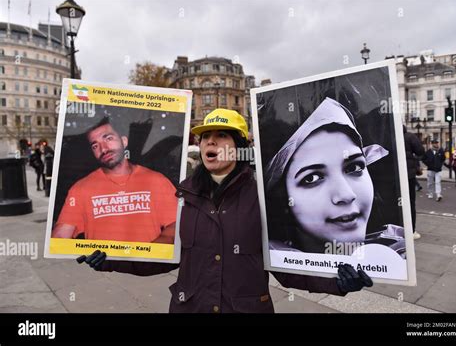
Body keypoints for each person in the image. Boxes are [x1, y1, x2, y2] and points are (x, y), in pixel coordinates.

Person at [78, 108, 373, 313]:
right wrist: (111, 259)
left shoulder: (263, 198)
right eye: (206, 136)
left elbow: (286, 268)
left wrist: (336, 282)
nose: (210, 141)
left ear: (239, 146)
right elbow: (162, 258)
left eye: (221, 135)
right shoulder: (181, 196)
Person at [265, 98, 406, 256]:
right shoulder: (275, 258)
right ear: (282, 195)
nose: (346, 195)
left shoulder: (399, 250)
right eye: (312, 178)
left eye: (354, 167)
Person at [52, 116, 177, 244]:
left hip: (150, 263)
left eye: (108, 138)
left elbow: (176, 223)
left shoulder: (157, 181)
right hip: (105, 264)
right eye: (95, 146)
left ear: (124, 141)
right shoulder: (80, 189)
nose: (103, 149)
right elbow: (60, 236)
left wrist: (155, 249)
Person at [403, 125, 425, 240]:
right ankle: (411, 231)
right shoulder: (410, 136)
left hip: (391, 175)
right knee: (410, 202)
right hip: (408, 175)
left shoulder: (387, 135)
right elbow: (421, 151)